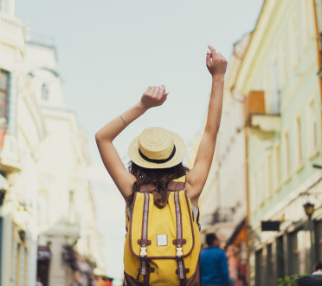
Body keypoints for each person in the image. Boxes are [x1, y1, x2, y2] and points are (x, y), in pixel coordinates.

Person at [95, 46, 227, 285]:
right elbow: (211, 132)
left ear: (138, 160)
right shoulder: (191, 187)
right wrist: (218, 77)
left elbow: (102, 137)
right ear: (175, 157)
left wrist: (142, 106)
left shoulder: (132, 190)